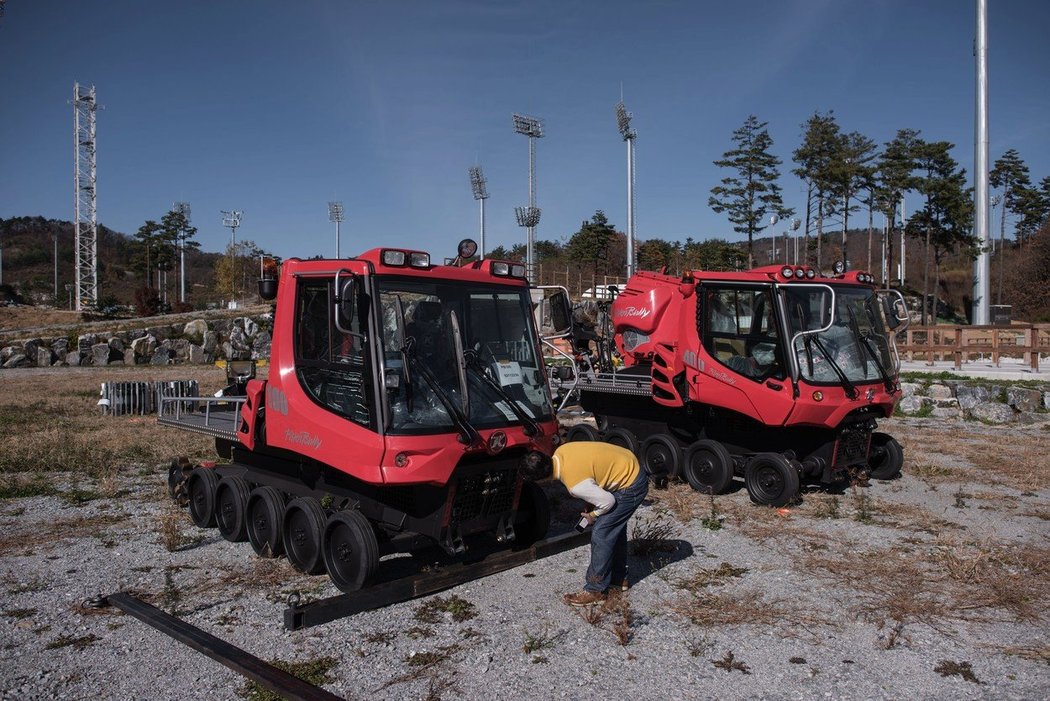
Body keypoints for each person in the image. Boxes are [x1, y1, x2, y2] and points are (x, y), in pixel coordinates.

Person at [519, 441, 649, 606]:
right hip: (626, 464)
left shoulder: (575, 486)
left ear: (542, 480)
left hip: (631, 484)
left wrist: (593, 515)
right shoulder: (562, 450)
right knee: (613, 529)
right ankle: (618, 579)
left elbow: (608, 501)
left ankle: (595, 590)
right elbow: (591, 468)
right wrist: (592, 499)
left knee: (601, 533)